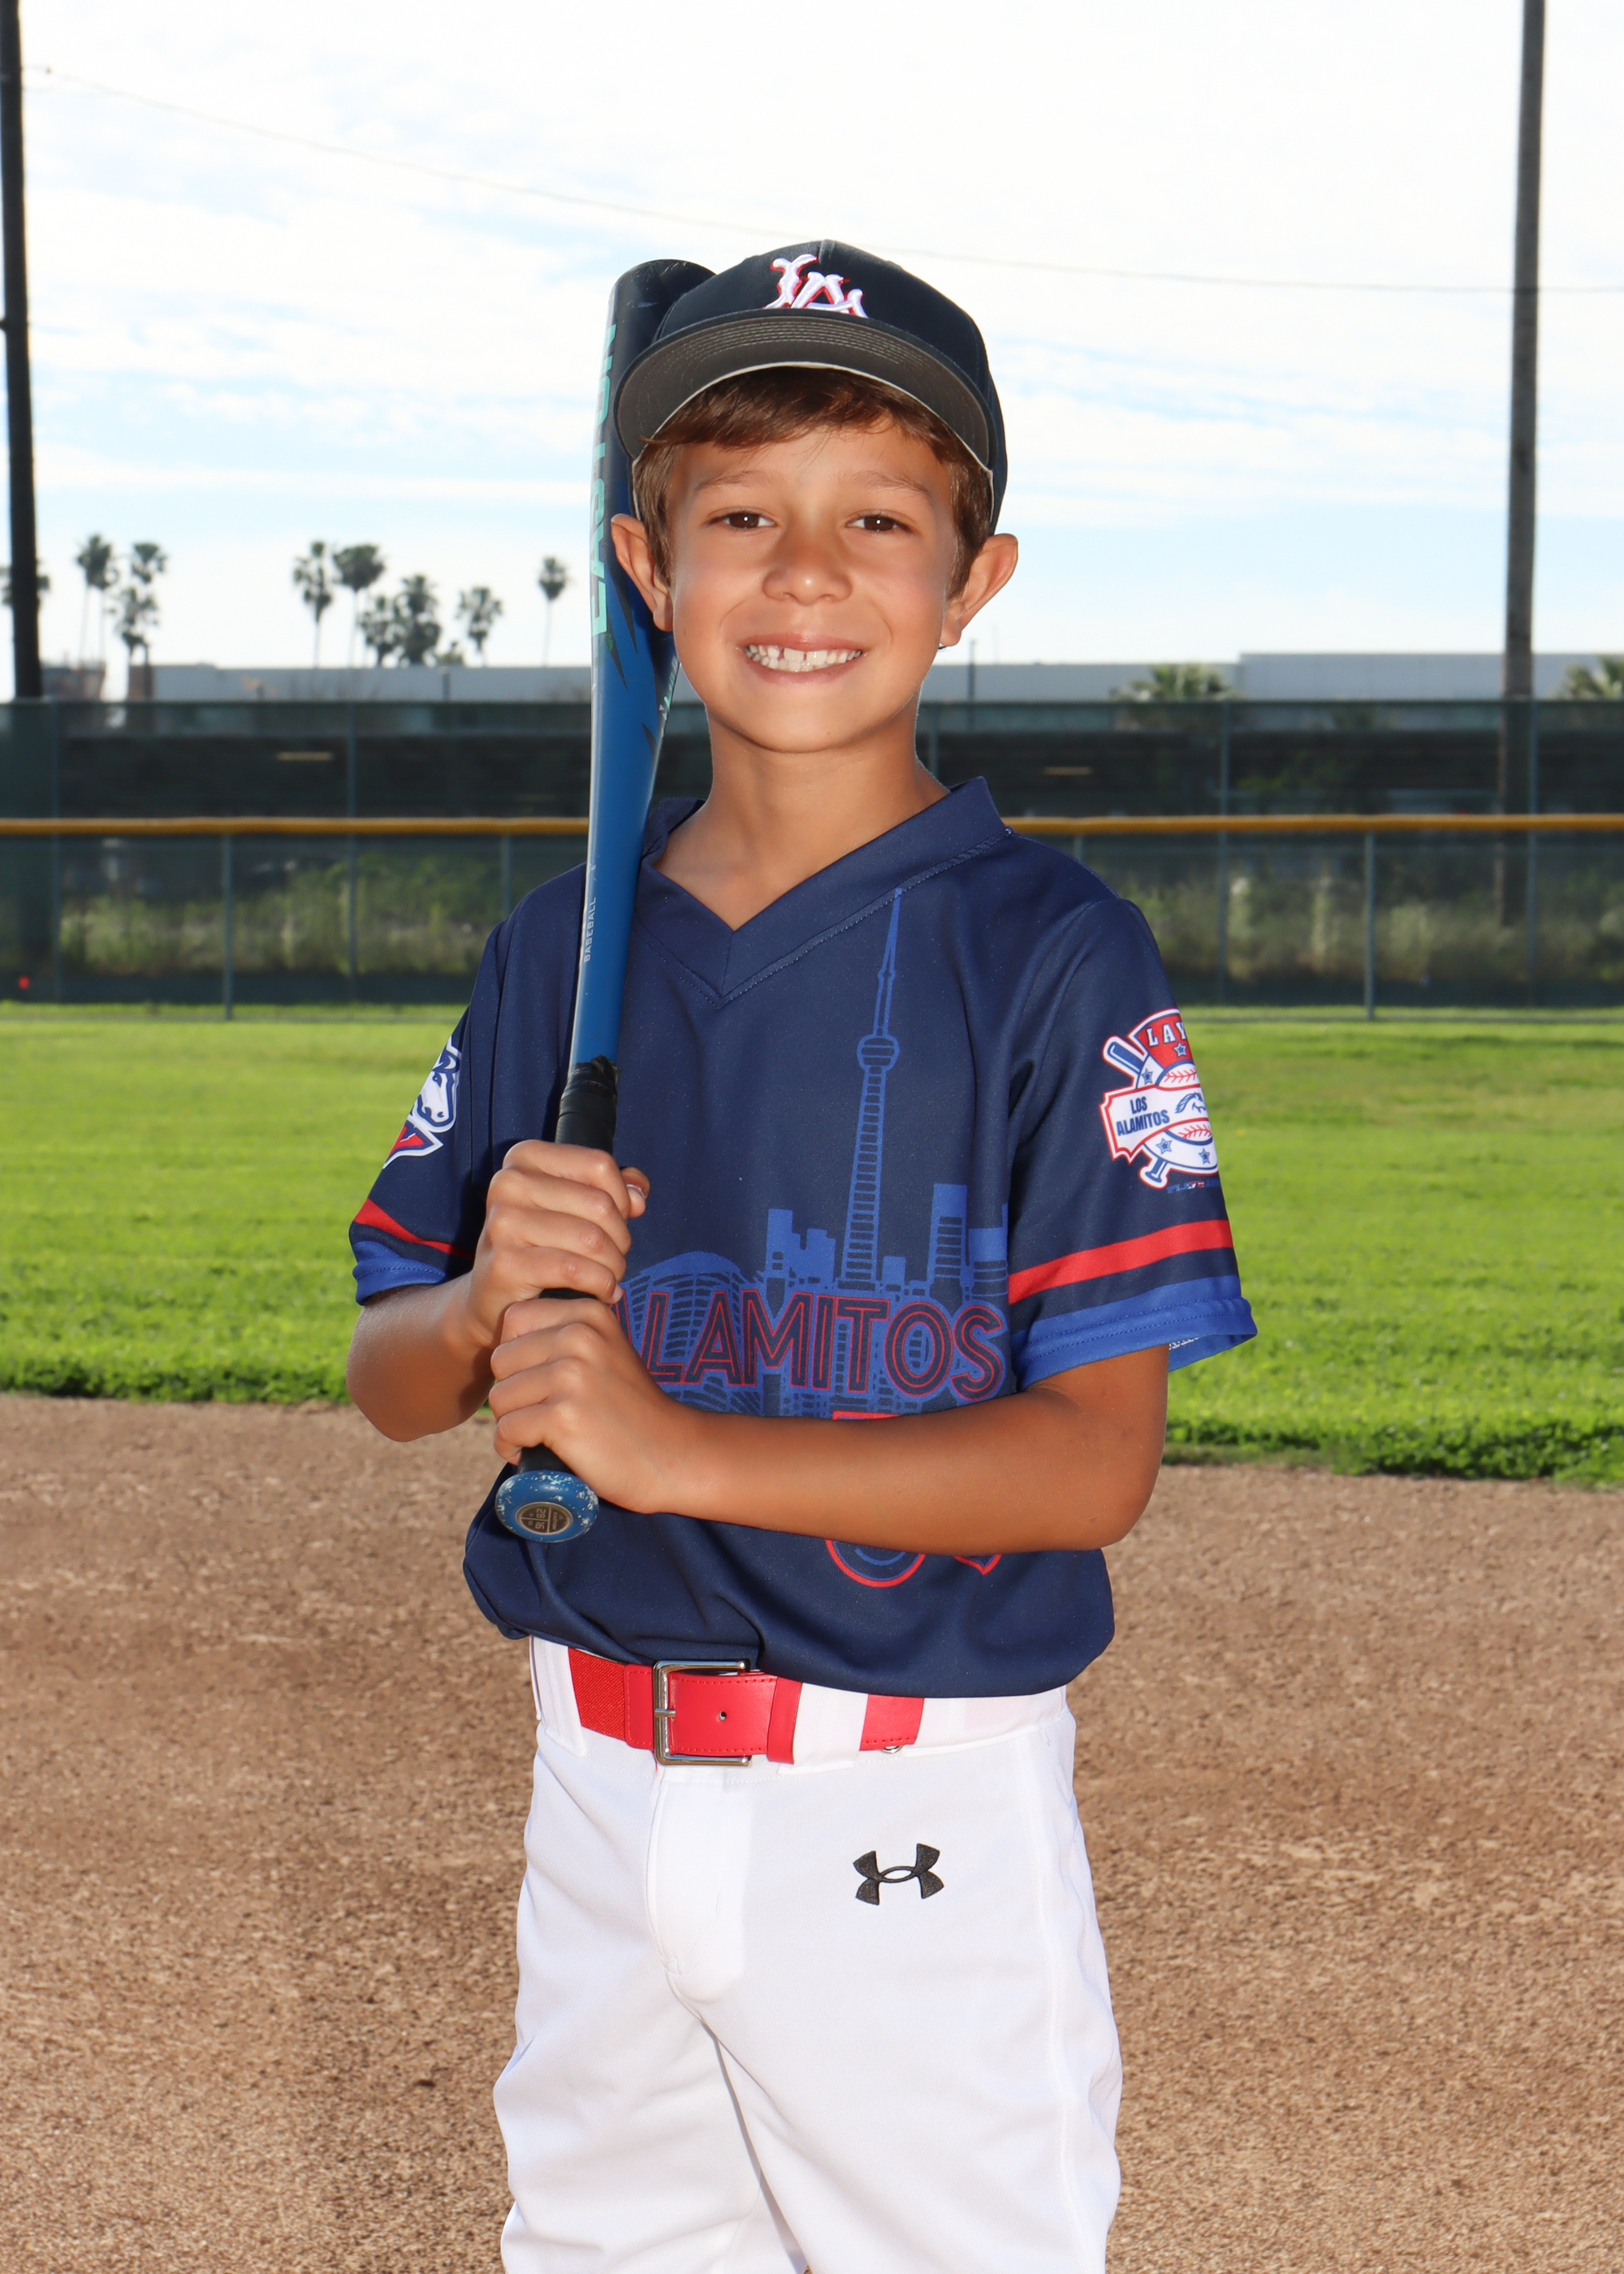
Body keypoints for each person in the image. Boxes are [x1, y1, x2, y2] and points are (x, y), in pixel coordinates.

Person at [346, 240, 1255, 2274]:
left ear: (974, 578)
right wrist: (483, 1303)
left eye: (879, 521)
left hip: (903, 1816)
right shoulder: (557, 954)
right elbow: (390, 1375)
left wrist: (672, 1447)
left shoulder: (1050, 954)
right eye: (742, 516)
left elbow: (1090, 1463)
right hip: (599, 1781)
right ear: (647, 567)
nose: (808, 572)